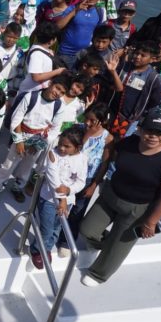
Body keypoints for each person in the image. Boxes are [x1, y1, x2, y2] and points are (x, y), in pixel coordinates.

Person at [80, 112, 161, 286]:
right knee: (87, 230)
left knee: (118, 247)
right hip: (110, 197)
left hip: (137, 210)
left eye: (160, 133)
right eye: (149, 130)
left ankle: (98, 274)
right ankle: (103, 245)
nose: (153, 136)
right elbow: (112, 159)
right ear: (140, 130)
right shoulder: (128, 144)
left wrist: (151, 222)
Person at [0, 75, 69, 206]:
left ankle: (17, 186)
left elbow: (55, 129)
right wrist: (19, 142)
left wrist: (39, 144)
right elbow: (16, 119)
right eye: (57, 88)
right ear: (50, 83)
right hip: (21, 134)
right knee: (9, 165)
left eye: (62, 92)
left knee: (27, 166)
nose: (58, 93)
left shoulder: (59, 107)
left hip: (40, 139)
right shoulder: (31, 97)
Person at [56, 103, 114, 258]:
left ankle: (66, 241)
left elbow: (104, 164)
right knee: (60, 206)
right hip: (68, 175)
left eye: (92, 120)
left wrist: (94, 185)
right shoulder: (78, 129)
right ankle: (51, 234)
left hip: (88, 179)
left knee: (77, 212)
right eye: (86, 118)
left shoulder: (107, 138)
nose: (87, 122)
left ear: (102, 121)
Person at [29, 127, 88, 269]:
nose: (61, 148)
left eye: (67, 146)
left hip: (68, 200)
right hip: (49, 199)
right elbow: (53, 178)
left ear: (77, 147)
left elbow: (81, 181)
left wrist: (69, 190)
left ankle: (47, 248)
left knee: (57, 228)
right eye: (60, 143)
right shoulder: (53, 154)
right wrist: (62, 199)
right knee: (47, 229)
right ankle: (37, 250)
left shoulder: (83, 158)